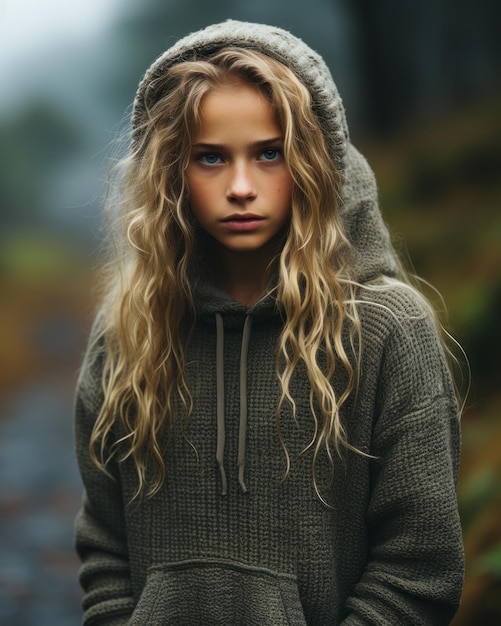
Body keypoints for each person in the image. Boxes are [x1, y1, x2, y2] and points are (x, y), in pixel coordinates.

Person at [74, 20, 465, 625]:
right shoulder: (130, 329)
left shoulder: (386, 330)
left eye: (269, 154)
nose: (239, 187)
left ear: (315, 160)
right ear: (170, 171)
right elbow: (104, 548)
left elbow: (419, 569)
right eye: (209, 157)